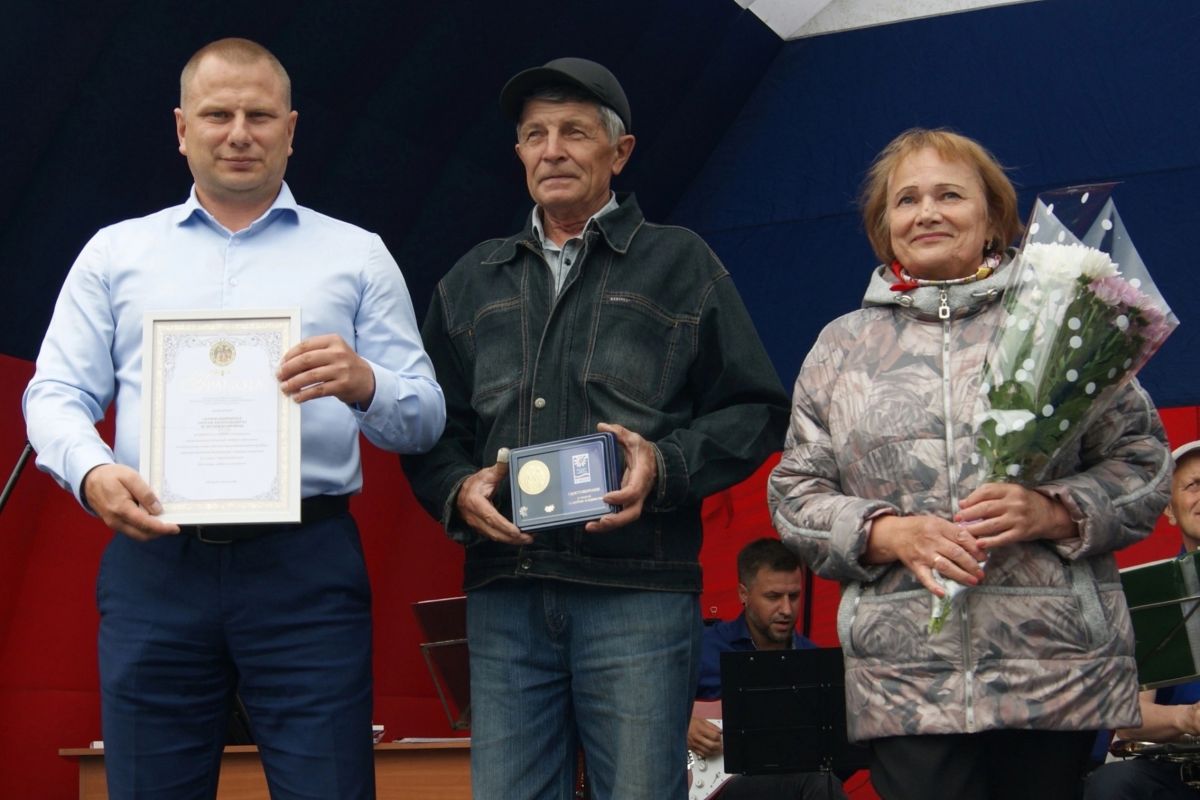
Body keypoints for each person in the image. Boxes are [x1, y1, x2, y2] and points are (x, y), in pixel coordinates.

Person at [22, 38, 444, 799]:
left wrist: (364, 381)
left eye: (259, 114)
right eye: (218, 114)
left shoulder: (357, 255)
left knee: (330, 787)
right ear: (182, 128)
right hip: (157, 562)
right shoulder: (115, 255)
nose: (239, 132)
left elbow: (423, 417)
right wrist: (91, 471)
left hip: (305, 565)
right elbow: (54, 394)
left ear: (292, 128)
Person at [402, 57, 790, 800]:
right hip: (506, 595)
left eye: (575, 132)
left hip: (636, 594)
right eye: (535, 134)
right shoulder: (468, 281)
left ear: (620, 152)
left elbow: (756, 409)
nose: (552, 149)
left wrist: (665, 464)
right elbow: (431, 428)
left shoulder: (683, 264)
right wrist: (457, 490)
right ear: (517, 153)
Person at [767, 128, 1172, 800]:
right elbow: (795, 494)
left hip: (1050, 666)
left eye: (949, 195)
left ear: (991, 220)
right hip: (905, 675)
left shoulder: (1065, 321)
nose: (926, 212)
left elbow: (1143, 467)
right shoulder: (841, 347)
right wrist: (887, 532)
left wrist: (1052, 510)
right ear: (884, 226)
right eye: (907, 200)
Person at [1083, 439, 1200, 800]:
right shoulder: (1154, 590)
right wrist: (1188, 719)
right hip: (1177, 767)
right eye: (1194, 485)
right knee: (1111, 787)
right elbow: (1128, 717)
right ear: (1169, 508)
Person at [688, 537, 847, 800]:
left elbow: (836, 757)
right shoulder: (705, 646)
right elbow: (645, 701)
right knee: (819, 785)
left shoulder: (813, 660)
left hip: (789, 783)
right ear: (743, 594)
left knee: (823, 782)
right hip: (713, 788)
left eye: (794, 596)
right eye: (773, 597)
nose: (786, 609)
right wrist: (684, 725)